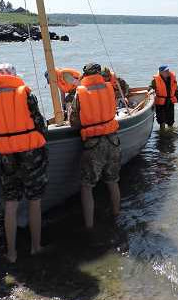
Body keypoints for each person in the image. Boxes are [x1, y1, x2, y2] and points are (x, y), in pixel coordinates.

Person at [0, 63, 48, 264]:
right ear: (14, 76)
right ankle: (36, 247)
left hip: (5, 155)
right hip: (31, 153)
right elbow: (39, 123)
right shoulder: (25, 94)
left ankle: (11, 253)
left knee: (10, 203)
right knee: (34, 200)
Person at [69, 63, 120, 229]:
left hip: (93, 145)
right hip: (112, 141)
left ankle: (89, 226)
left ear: (85, 75)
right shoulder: (109, 87)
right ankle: (117, 215)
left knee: (87, 187)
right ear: (99, 74)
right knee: (112, 181)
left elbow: (74, 122)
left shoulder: (80, 92)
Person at [150, 65, 178, 131]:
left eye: (168, 70)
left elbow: (175, 90)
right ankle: (162, 133)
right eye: (166, 71)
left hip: (170, 102)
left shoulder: (172, 78)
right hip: (160, 103)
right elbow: (150, 89)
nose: (168, 72)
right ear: (161, 72)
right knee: (161, 121)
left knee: (171, 121)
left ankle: (171, 132)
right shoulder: (155, 80)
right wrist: (151, 94)